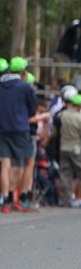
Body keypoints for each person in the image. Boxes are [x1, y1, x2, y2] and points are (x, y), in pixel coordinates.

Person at [0, 57, 38, 214]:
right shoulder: (25, 87)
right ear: (23, 71)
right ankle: (23, 197)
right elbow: (32, 110)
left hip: (2, 130)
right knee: (29, 161)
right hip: (20, 130)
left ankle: (5, 201)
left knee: (5, 164)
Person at [58, 95, 81, 208]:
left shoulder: (62, 115)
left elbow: (56, 131)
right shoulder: (80, 118)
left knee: (65, 175)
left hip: (64, 148)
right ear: (80, 105)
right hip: (77, 149)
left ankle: (65, 200)